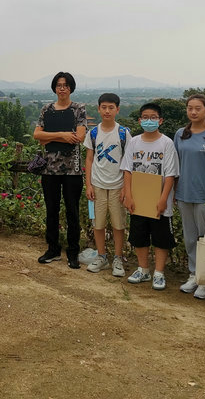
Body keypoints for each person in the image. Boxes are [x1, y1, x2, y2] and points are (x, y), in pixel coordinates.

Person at [120, 103, 179, 290]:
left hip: (160, 201)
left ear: (160, 120)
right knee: (139, 235)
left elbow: (170, 174)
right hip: (138, 200)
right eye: (145, 117)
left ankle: (159, 272)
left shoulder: (167, 143)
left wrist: (163, 199)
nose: (149, 120)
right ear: (139, 120)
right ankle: (143, 269)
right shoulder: (134, 142)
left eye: (153, 117)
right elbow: (127, 170)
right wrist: (128, 196)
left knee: (161, 237)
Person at [32, 72, 87, 268]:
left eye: (65, 85)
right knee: (51, 210)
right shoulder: (46, 109)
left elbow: (79, 137)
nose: (62, 88)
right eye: (58, 85)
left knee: (72, 211)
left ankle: (73, 252)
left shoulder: (78, 109)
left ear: (71, 87)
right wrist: (63, 134)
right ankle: (53, 249)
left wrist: (50, 137)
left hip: (72, 170)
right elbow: (37, 135)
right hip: (49, 170)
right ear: (54, 88)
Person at [173, 94, 205, 300]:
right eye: (189, 108)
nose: (193, 112)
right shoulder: (180, 134)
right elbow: (175, 165)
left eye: (197, 108)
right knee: (189, 237)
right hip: (184, 193)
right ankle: (194, 274)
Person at [83, 92, 129, 277]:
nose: (107, 111)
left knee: (119, 224)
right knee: (98, 223)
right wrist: (88, 185)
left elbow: (128, 162)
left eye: (111, 107)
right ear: (98, 108)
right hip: (98, 185)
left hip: (118, 185)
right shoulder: (93, 133)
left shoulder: (123, 133)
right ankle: (101, 256)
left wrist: (127, 187)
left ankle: (118, 257)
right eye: (104, 107)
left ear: (117, 109)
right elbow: (89, 159)